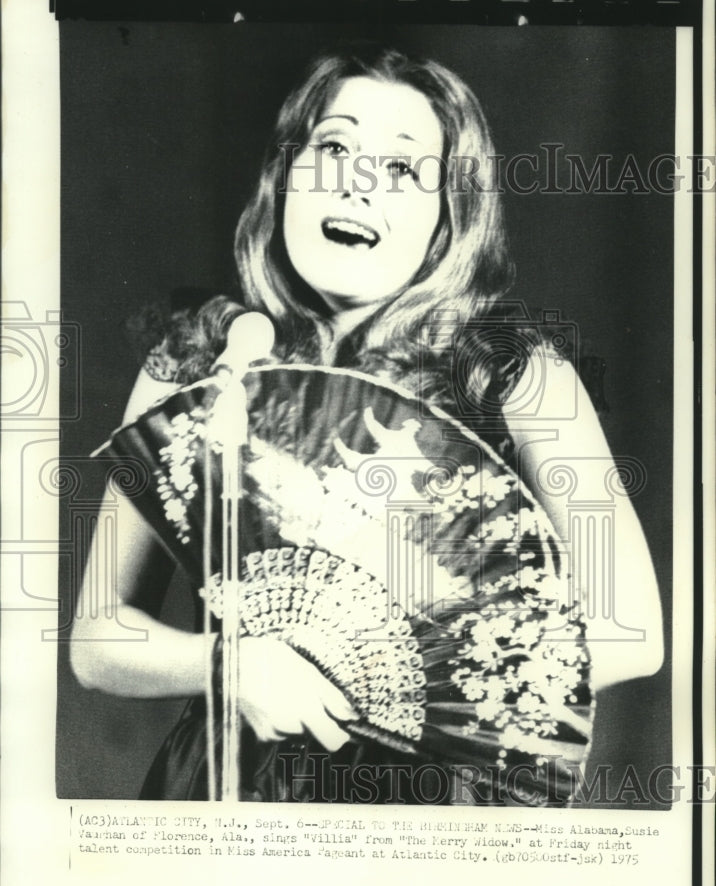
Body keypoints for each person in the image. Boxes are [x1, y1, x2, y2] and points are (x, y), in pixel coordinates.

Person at [70, 47, 664, 803]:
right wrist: (232, 664)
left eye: (402, 169)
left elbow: (633, 634)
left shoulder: (511, 371)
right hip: (228, 794)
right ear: (285, 175)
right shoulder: (196, 358)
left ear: (449, 216)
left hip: (426, 806)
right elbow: (98, 642)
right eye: (335, 147)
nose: (356, 184)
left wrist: (408, 678)